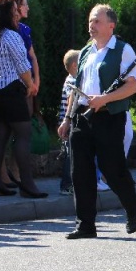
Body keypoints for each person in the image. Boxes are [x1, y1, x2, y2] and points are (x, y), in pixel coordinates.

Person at [58, 5, 136, 239]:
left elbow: (132, 86)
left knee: (112, 168)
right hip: (82, 117)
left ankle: (133, 205)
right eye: (90, 21)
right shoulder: (86, 51)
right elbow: (78, 86)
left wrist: (105, 99)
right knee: (80, 171)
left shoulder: (123, 50)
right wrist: (67, 118)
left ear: (110, 25)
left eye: (96, 21)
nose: (91, 25)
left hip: (109, 116)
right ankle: (85, 225)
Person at [0, 0, 44, 197]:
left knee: (1, 134)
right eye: (14, 10)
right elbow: (23, 66)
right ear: (7, 13)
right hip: (13, 90)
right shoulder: (11, 36)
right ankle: (28, 185)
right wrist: (31, 85)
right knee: (24, 135)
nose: (17, 13)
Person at [58, 50, 80, 196]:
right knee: (70, 154)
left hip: (67, 121)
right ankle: (67, 185)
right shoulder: (72, 81)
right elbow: (72, 99)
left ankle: (69, 183)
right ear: (74, 65)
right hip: (70, 122)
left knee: (70, 152)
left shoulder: (69, 79)